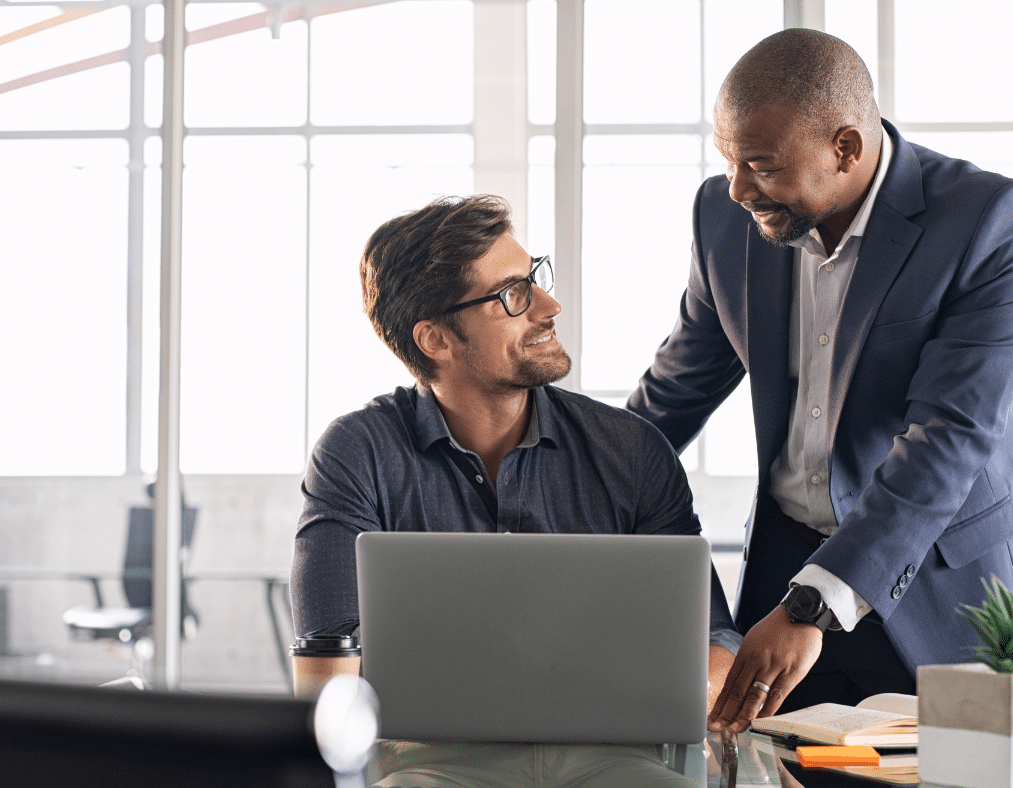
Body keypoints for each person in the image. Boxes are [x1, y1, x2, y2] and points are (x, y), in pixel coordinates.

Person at [626, 29, 1013, 733]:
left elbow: (950, 434)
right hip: (781, 573)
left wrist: (814, 605)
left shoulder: (989, 220)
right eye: (729, 161)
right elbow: (673, 393)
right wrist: (555, 474)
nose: (736, 189)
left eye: (759, 166)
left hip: (943, 584)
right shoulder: (723, 218)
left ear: (845, 148)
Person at [291, 194, 741, 786]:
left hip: (618, 762)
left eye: (536, 278)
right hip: (429, 765)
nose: (550, 305)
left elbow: (714, 638)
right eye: (513, 295)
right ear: (436, 340)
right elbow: (327, 666)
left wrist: (696, 689)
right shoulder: (358, 453)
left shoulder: (632, 450)